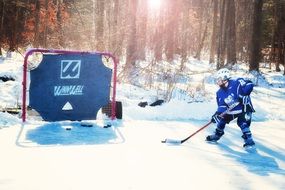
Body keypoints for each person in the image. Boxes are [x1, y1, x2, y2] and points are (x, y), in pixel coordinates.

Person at [206, 68, 256, 148]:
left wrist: (244, 95)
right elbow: (222, 105)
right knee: (222, 119)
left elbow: (249, 85)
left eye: (219, 79)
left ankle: (249, 139)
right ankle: (217, 135)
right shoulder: (219, 92)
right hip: (232, 109)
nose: (217, 81)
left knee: (242, 122)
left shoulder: (237, 82)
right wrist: (217, 114)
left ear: (225, 78)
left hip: (244, 107)